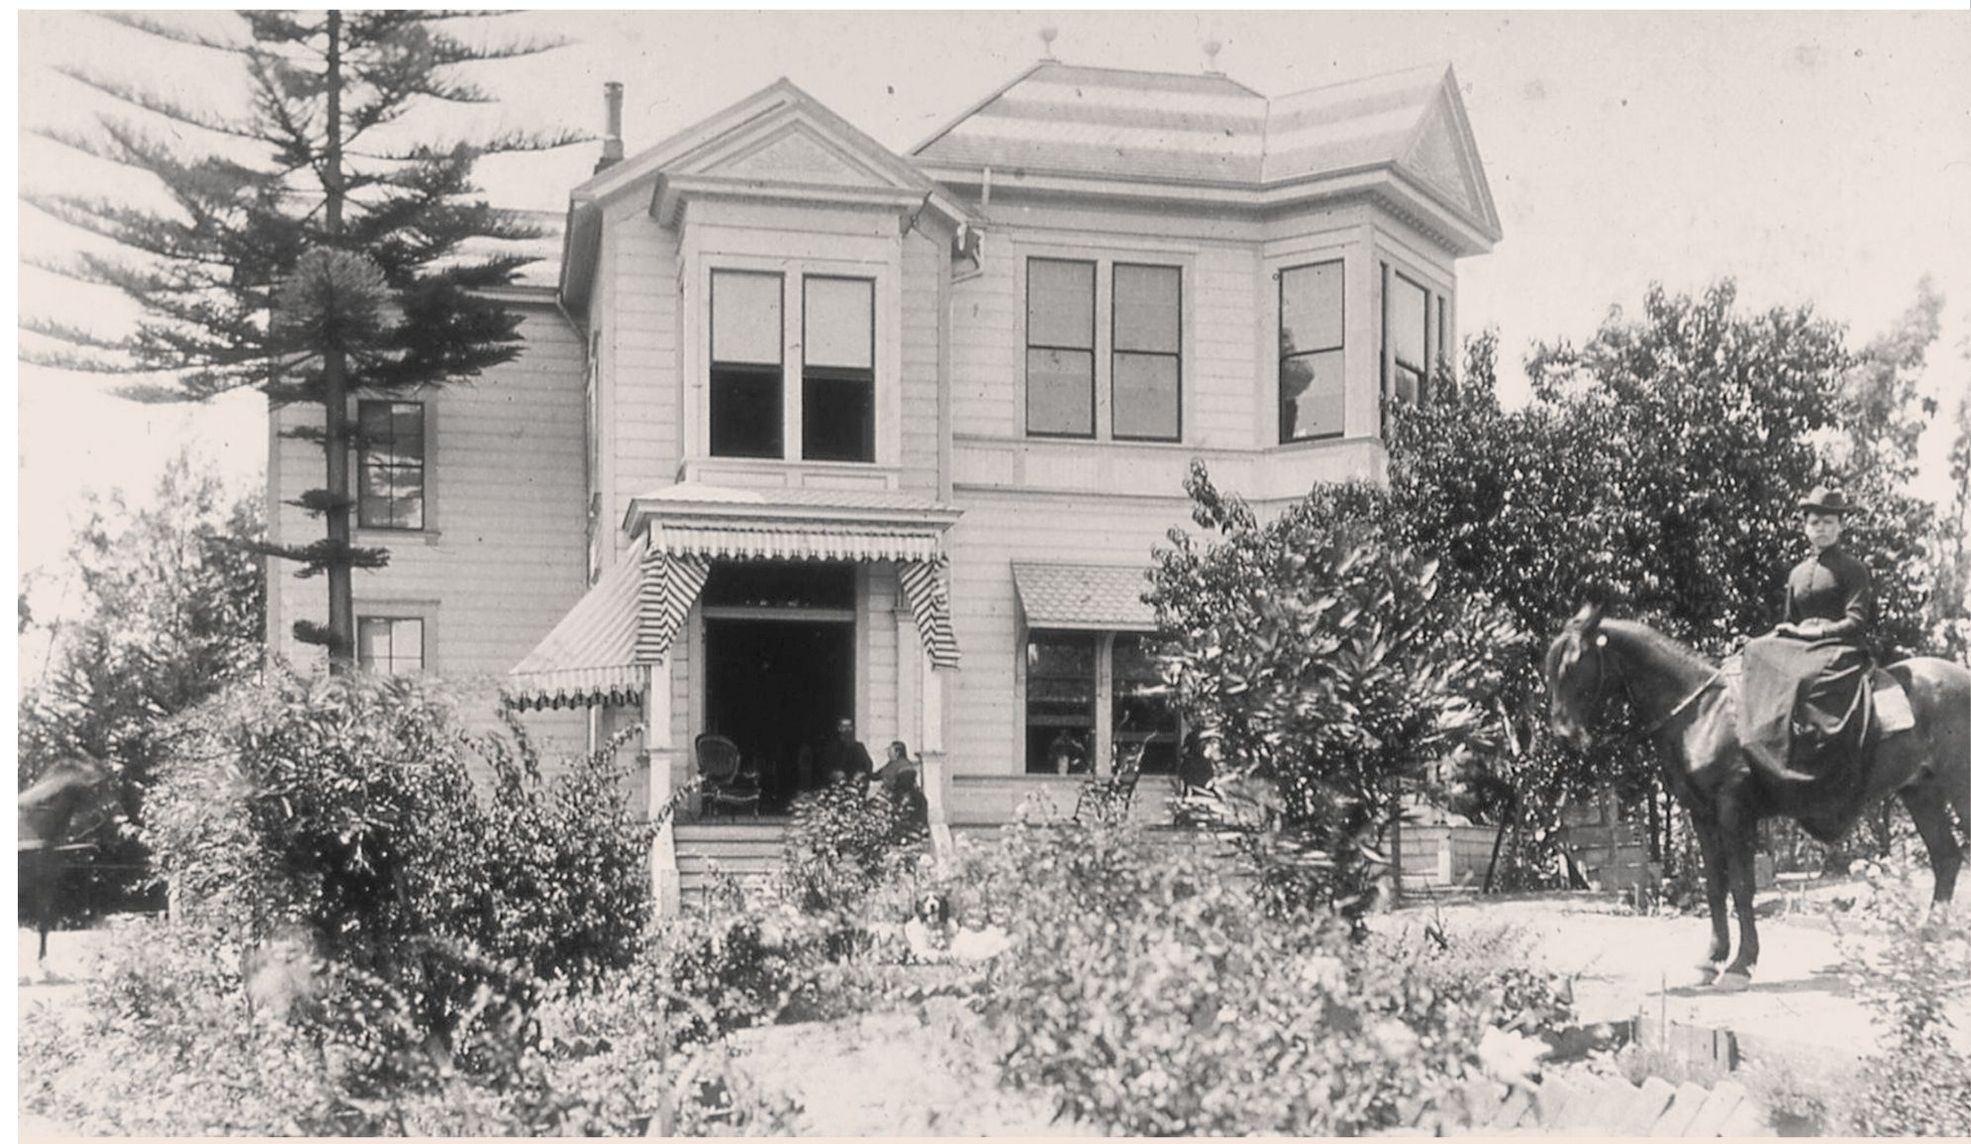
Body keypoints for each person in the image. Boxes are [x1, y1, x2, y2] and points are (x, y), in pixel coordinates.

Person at [1740, 486, 1876, 838]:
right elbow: (1789, 621)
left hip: (1841, 650)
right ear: (1805, 528)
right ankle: (1769, 760)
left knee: (1805, 683)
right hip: (1802, 649)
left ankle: (1823, 773)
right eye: (1815, 523)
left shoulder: (1853, 569)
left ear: (1840, 527)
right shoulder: (1797, 574)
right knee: (1757, 659)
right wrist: (1765, 641)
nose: (1822, 529)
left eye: (1829, 522)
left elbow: (1856, 621)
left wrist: (1814, 633)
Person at [819, 717, 874, 786]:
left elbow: (868, 764)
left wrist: (862, 773)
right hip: (837, 785)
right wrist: (834, 774)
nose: (847, 729)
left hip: (855, 785)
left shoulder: (859, 747)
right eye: (844, 726)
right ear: (839, 728)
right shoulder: (832, 747)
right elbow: (824, 766)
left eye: (849, 726)